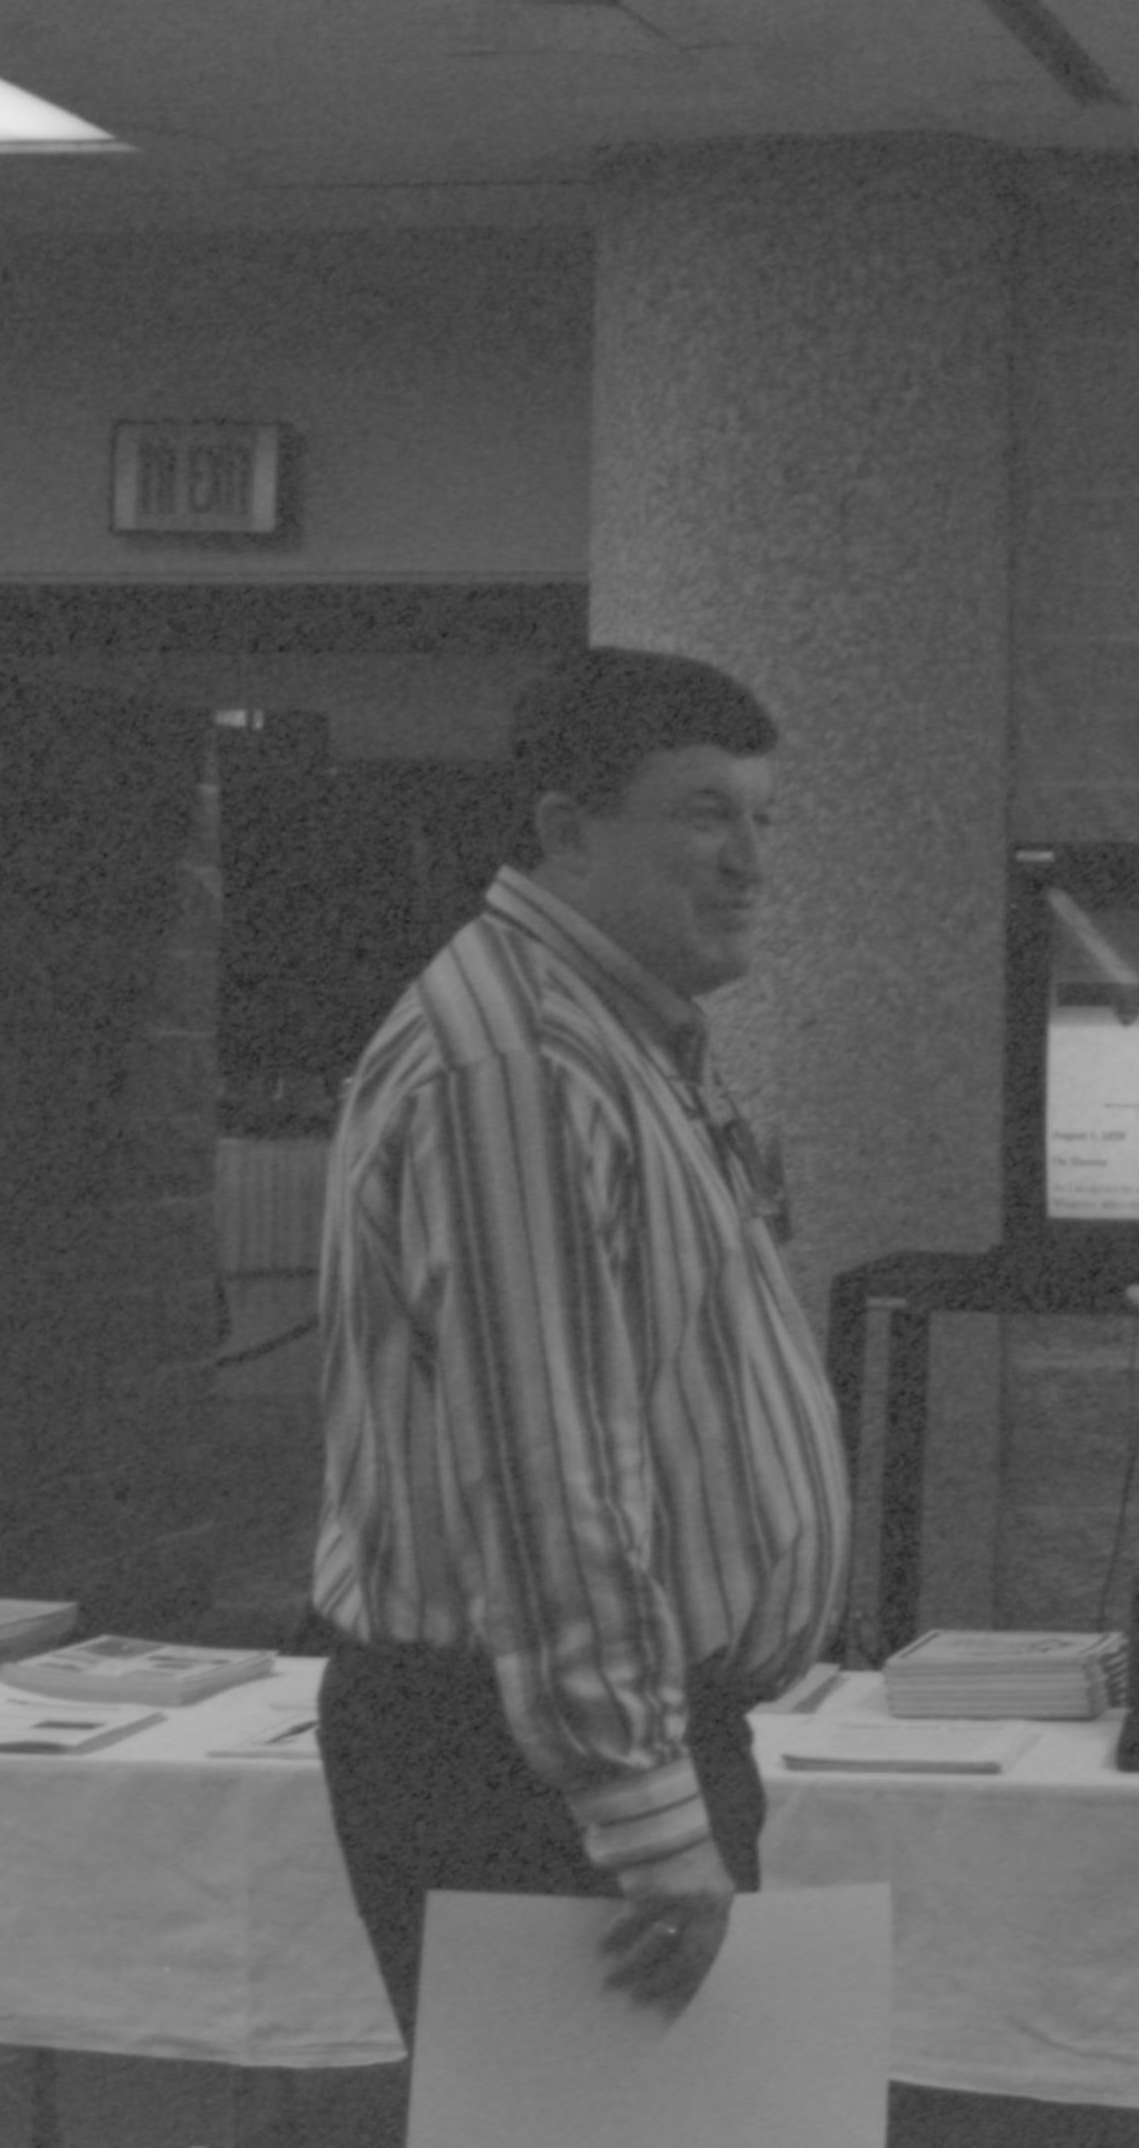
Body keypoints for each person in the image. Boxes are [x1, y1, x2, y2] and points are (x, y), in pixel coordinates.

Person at [307, 646, 850, 2053]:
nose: (748, 863)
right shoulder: (525, 1072)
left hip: (579, 1736)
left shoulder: (615, 1040)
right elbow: (550, 1470)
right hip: (525, 1764)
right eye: (702, 814)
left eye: (761, 820)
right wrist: (643, 1808)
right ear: (563, 831)